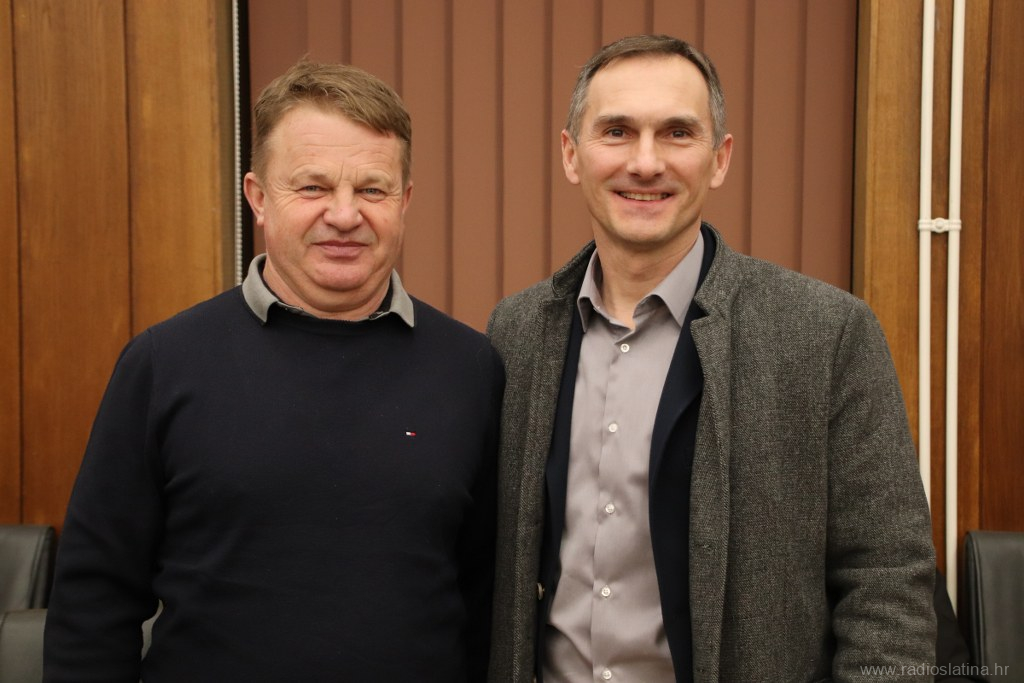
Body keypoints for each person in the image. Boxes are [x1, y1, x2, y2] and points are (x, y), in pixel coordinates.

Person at [487, 35, 936, 682]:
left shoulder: (827, 334)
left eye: (677, 133)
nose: (646, 163)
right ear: (571, 155)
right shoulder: (517, 332)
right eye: (616, 131)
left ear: (719, 159)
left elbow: (887, 578)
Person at [44, 60, 502, 681]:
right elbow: (94, 602)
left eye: (372, 190)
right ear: (258, 197)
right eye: (312, 188)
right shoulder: (163, 364)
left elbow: (486, 599)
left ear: (405, 200)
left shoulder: (470, 370)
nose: (345, 215)